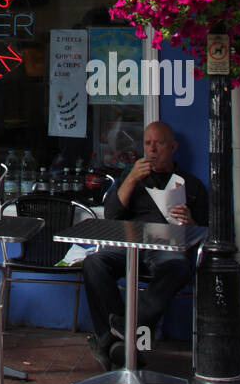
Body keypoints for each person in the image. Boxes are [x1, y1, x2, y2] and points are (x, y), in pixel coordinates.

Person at [82, 120, 208, 369]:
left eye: (158, 144)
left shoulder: (190, 184)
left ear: (172, 147)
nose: (152, 150)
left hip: (166, 250)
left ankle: (122, 330)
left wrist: (190, 222)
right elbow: (111, 215)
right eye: (148, 144)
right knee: (94, 262)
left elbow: (204, 231)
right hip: (129, 246)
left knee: (180, 267)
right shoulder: (132, 176)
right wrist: (130, 180)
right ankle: (116, 342)